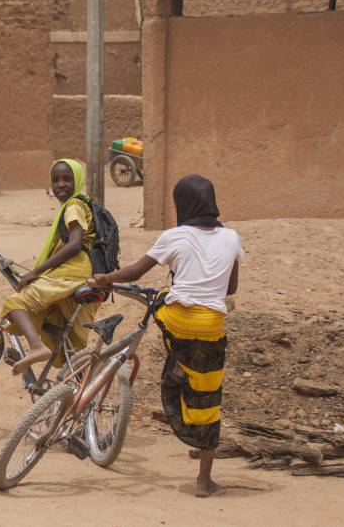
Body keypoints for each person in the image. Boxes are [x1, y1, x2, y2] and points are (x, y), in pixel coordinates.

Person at [92, 174, 243, 498]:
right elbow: (230, 288)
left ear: (182, 204)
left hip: (175, 321)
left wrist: (105, 278)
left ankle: (143, 360)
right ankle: (204, 480)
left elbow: (135, 272)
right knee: (208, 396)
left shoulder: (175, 236)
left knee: (166, 317)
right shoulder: (231, 238)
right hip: (210, 325)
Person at [0, 159, 100, 375]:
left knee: (16, 303)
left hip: (71, 272)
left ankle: (36, 348)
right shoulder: (84, 204)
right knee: (67, 338)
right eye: (55, 180)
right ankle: (80, 396)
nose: (60, 185)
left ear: (78, 181)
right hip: (85, 274)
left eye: (67, 179)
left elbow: (74, 244)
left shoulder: (74, 206)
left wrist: (36, 272)